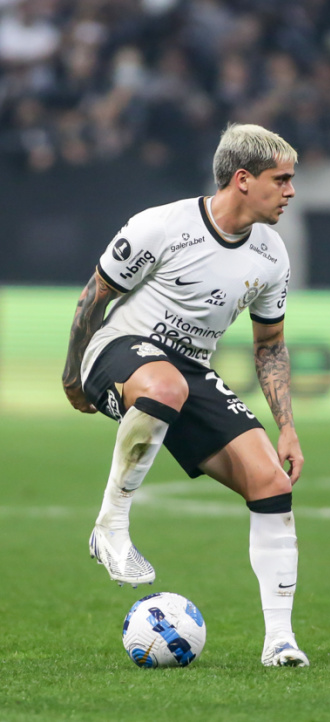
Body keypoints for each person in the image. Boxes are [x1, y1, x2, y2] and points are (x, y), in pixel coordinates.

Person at [61, 123, 309, 668]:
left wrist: (286, 426)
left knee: (269, 479)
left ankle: (280, 642)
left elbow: (270, 345)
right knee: (165, 383)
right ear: (243, 179)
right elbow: (94, 295)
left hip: (190, 370)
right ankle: (112, 526)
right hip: (119, 350)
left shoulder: (271, 255)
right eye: (281, 179)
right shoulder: (162, 226)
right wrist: (73, 373)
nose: (291, 191)